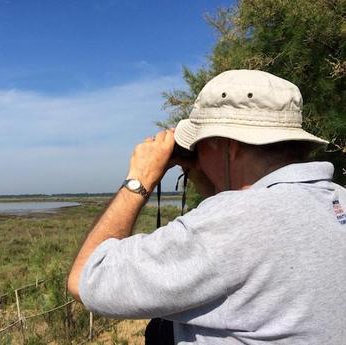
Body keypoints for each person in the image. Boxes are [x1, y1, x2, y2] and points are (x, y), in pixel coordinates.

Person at [67, 70, 346, 344]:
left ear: (230, 146)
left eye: (199, 145)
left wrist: (140, 179)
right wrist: (208, 177)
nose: (196, 154)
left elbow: (86, 277)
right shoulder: (336, 199)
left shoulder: (231, 223)